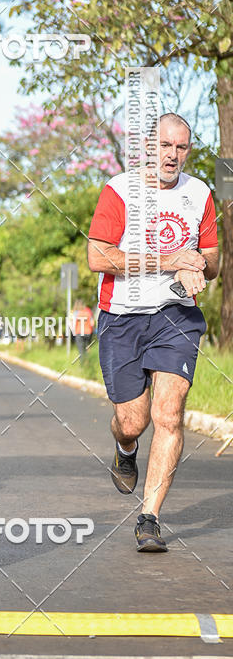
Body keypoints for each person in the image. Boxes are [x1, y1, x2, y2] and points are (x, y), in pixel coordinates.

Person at [88, 113, 219, 552]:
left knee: (168, 414)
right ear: (148, 146)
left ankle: (149, 517)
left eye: (181, 147)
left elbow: (213, 258)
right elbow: (98, 257)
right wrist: (171, 259)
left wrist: (199, 263)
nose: (172, 155)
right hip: (122, 317)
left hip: (175, 317)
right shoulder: (120, 190)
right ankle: (126, 449)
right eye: (165, 145)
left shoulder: (200, 193)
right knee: (134, 420)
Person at [70, 299, 95, 365]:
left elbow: (72, 323)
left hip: (79, 333)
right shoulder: (88, 311)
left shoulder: (75, 312)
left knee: (81, 350)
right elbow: (92, 323)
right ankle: (88, 362)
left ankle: (82, 365)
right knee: (87, 348)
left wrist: (73, 332)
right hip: (88, 333)